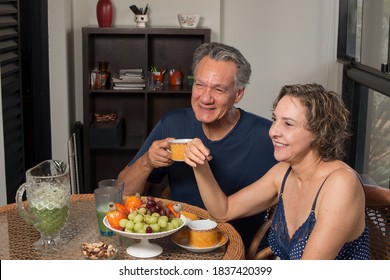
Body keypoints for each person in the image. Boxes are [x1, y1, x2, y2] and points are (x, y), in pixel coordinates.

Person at [118, 42, 277, 250]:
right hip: (178, 246)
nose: (205, 98)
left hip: (236, 252)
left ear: (238, 94)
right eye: (200, 85)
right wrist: (147, 162)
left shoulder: (267, 136)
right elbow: (122, 194)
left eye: (218, 89)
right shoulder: (172, 124)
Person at [185, 83, 370, 260]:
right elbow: (223, 211)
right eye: (275, 120)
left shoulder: (340, 184)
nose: (273, 131)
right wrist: (199, 164)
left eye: (288, 124)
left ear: (320, 133)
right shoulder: (284, 173)